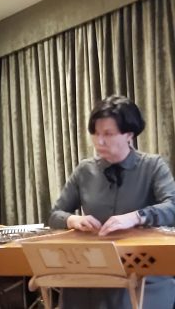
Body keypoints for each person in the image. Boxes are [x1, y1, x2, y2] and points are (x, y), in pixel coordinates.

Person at [49, 95, 175, 308]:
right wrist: (73, 220)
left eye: (108, 134)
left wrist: (136, 217)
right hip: (92, 275)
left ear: (129, 134)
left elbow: (172, 207)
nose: (99, 141)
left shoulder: (153, 166)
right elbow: (55, 214)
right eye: (95, 133)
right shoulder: (85, 170)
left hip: (144, 276)